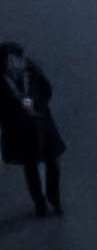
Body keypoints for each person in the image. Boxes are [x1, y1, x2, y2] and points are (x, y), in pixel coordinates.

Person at [0, 47, 55, 216]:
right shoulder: (1, 81)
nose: (18, 62)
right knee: (31, 166)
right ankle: (40, 203)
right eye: (12, 59)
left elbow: (46, 90)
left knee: (52, 161)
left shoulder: (32, 72)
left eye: (18, 58)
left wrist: (36, 106)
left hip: (41, 124)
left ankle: (54, 199)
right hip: (20, 128)